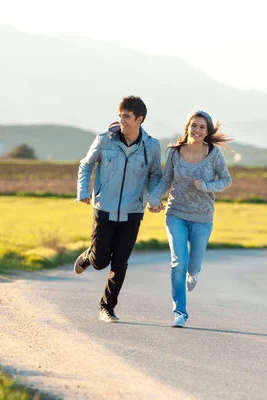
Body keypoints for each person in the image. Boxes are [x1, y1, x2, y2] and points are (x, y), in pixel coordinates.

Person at [74, 96, 162, 323]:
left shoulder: (151, 146)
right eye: (120, 115)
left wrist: (153, 199)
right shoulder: (104, 140)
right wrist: (84, 190)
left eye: (127, 116)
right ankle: (90, 255)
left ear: (139, 119)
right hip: (104, 209)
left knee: (120, 263)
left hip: (133, 213)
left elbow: (155, 176)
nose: (121, 120)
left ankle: (107, 307)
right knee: (100, 261)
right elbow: (86, 164)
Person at [148, 110, 233, 328]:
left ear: (207, 132)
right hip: (176, 213)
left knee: (192, 266)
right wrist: (155, 196)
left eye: (202, 127)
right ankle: (180, 313)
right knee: (178, 262)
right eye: (194, 125)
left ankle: (193, 274)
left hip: (203, 218)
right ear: (187, 127)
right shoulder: (175, 153)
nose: (197, 130)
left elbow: (225, 180)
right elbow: (166, 181)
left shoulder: (213, 154)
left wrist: (206, 187)